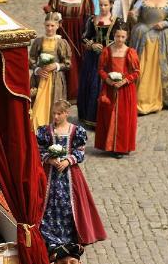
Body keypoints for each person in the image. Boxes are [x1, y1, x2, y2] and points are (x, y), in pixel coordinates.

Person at [36, 101, 106, 249]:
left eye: (59, 114)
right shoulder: (46, 131)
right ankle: (49, 233)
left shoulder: (76, 131)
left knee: (69, 202)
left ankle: (72, 233)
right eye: (54, 113)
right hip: (50, 174)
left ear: (66, 113)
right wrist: (50, 159)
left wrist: (68, 161)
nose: (55, 116)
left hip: (70, 175)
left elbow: (80, 151)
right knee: (50, 203)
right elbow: (39, 149)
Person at [43, 0, 94, 101]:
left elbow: (89, 20)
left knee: (78, 62)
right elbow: (50, 17)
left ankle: (78, 93)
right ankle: (59, 92)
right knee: (61, 59)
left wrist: (86, 37)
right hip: (61, 35)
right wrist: (53, 15)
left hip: (78, 35)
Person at [77, 0, 123, 128]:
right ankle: (91, 117)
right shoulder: (92, 20)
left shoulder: (117, 21)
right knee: (91, 85)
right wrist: (92, 45)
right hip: (93, 59)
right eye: (101, 5)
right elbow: (84, 37)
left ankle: (109, 118)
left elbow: (121, 38)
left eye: (106, 5)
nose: (103, 7)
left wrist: (108, 47)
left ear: (111, 5)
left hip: (110, 58)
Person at [94, 26, 139, 157]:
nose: (120, 39)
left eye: (122, 37)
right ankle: (109, 145)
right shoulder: (107, 51)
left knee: (124, 117)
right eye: (117, 36)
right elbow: (101, 69)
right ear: (114, 36)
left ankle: (122, 146)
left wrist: (125, 81)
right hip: (110, 88)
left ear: (127, 37)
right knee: (109, 115)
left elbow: (136, 72)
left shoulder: (130, 52)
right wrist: (108, 80)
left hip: (125, 90)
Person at [29, 13, 71, 131]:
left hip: (55, 80)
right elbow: (31, 59)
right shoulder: (39, 41)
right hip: (40, 79)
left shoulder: (61, 43)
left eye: (52, 25)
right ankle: (38, 130)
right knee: (37, 107)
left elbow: (67, 63)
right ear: (44, 25)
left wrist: (56, 65)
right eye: (47, 25)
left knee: (54, 105)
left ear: (58, 26)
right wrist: (37, 70)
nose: (49, 28)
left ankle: (53, 131)